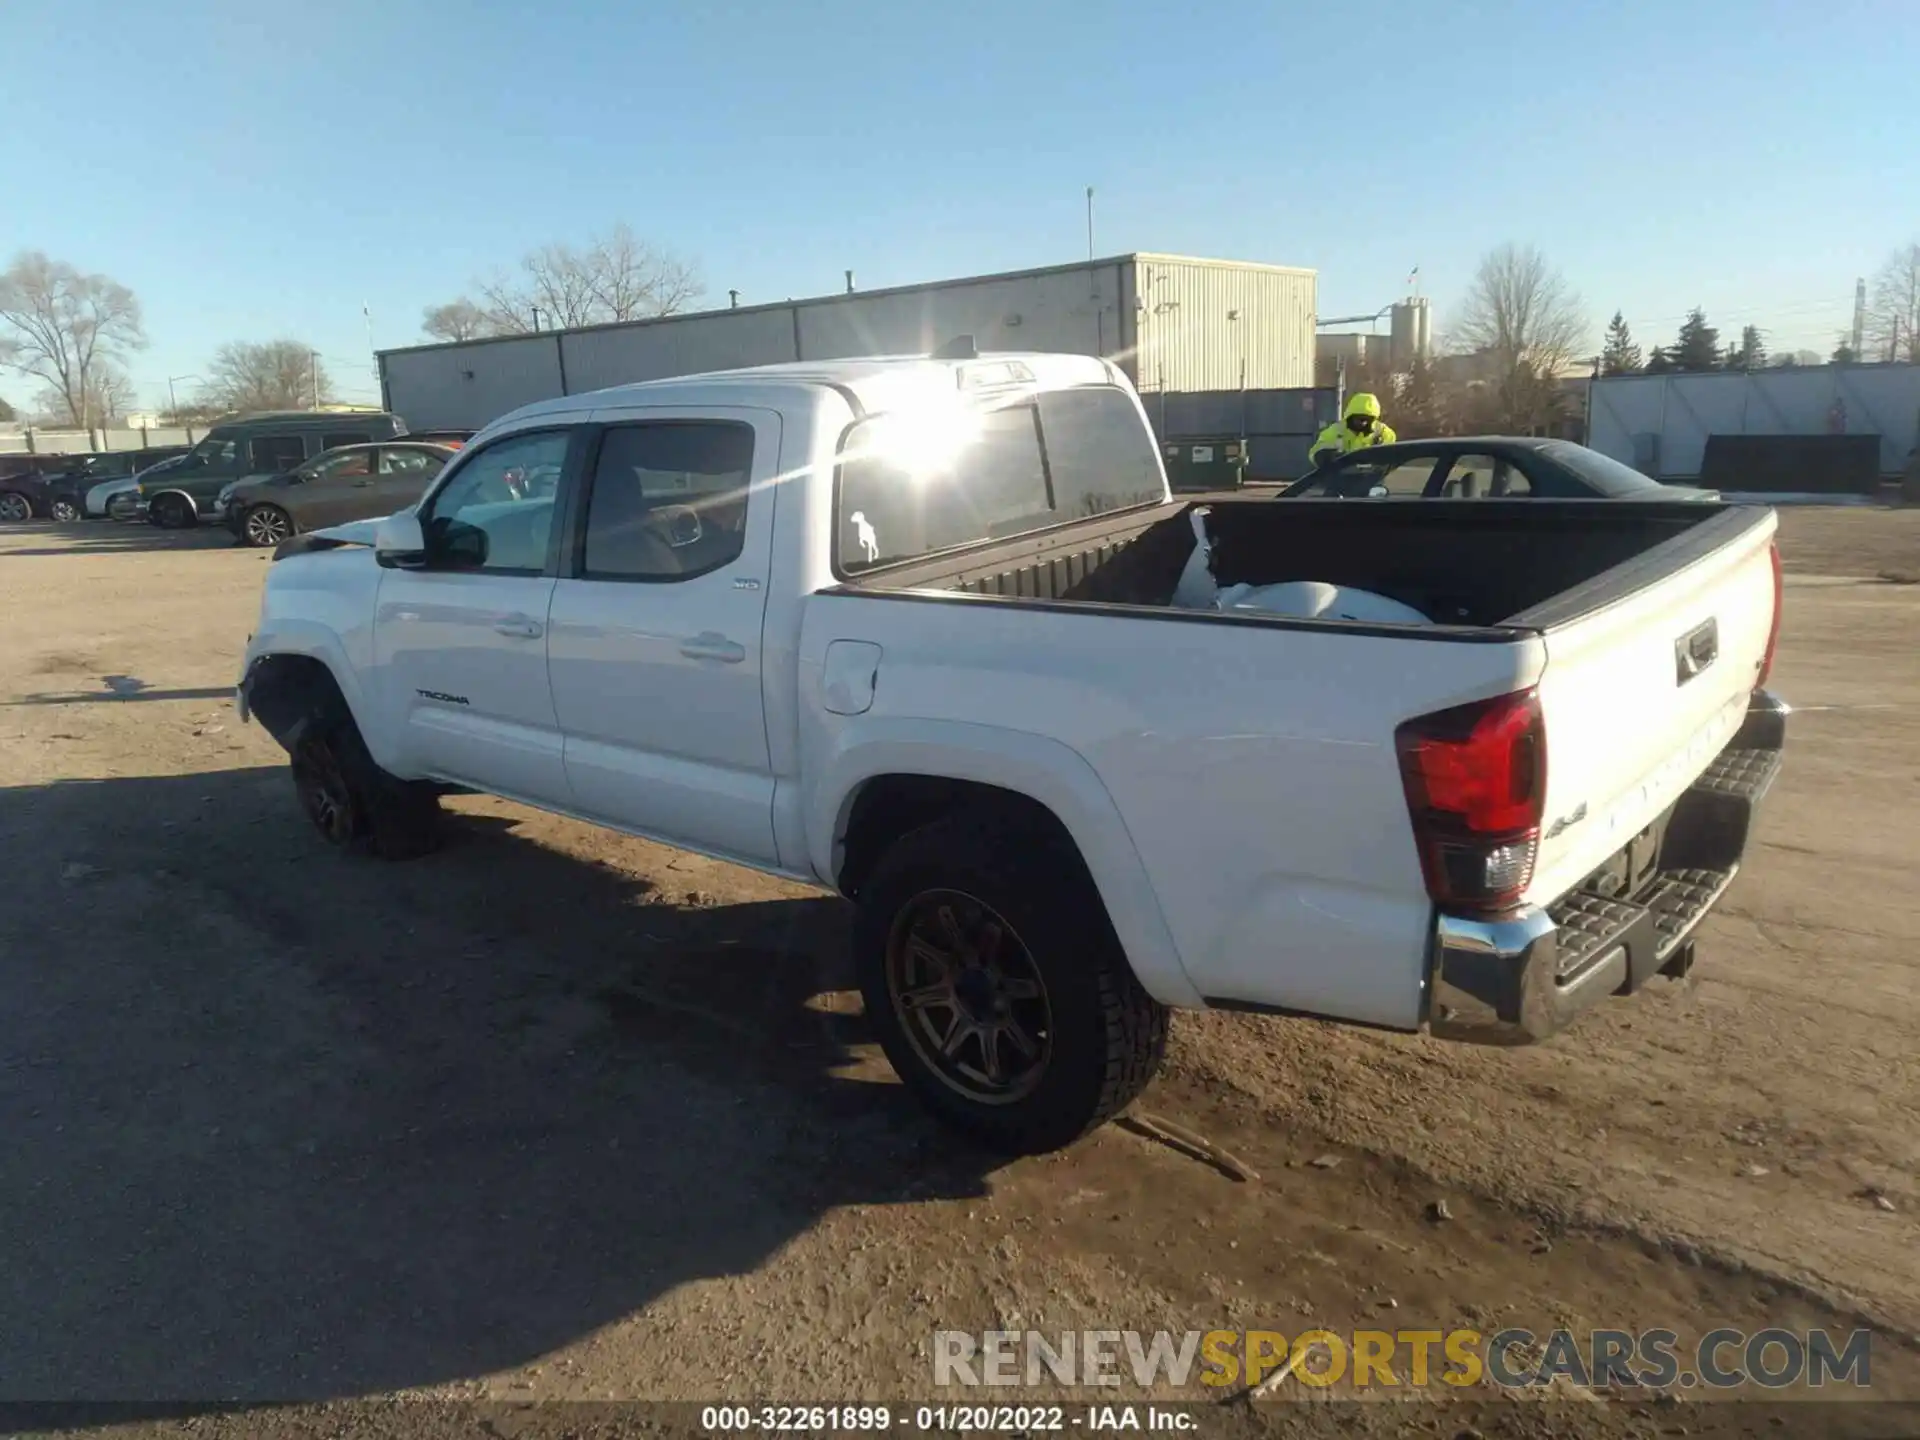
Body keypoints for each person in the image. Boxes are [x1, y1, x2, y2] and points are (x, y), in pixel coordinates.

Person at [1309, 392, 1398, 466]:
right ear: (1350, 417)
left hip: (1372, 481)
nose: (1364, 423)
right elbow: (1315, 453)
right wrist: (1325, 456)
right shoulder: (1335, 431)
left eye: (1368, 419)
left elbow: (1393, 452)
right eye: (1360, 419)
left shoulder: (1382, 432)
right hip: (1339, 481)